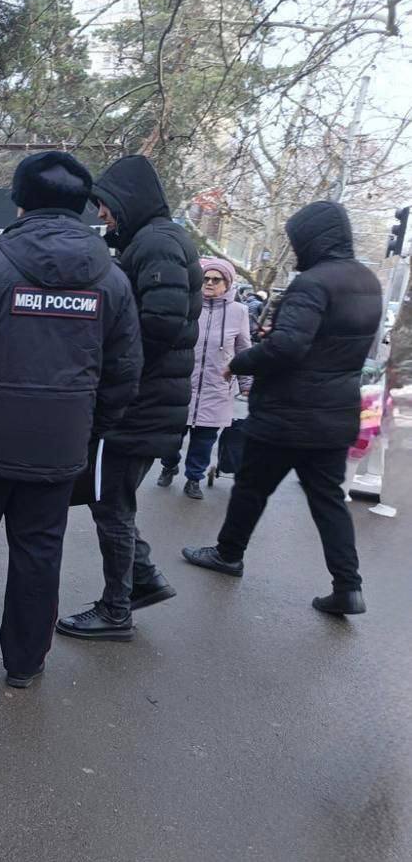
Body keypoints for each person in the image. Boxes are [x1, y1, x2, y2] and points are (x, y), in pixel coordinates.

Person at [0, 152, 142, 688]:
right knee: (40, 548)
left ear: (20, 201)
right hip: (59, 444)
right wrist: (89, 422)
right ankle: (25, 661)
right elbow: (125, 371)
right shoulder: (111, 279)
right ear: (83, 207)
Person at [183, 201, 383, 616]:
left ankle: (228, 553)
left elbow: (288, 345)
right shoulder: (366, 280)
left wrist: (239, 363)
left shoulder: (312, 283)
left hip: (286, 414)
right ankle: (348, 586)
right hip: (334, 413)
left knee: (252, 488)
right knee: (328, 500)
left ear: (312, 239)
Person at [56, 154, 203, 642]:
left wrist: (111, 358)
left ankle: (117, 608)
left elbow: (159, 323)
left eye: (105, 205)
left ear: (128, 201)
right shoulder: (157, 240)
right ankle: (142, 579)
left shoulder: (157, 243)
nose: (102, 215)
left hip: (136, 405)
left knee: (110, 504)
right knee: (110, 498)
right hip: (149, 401)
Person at [157, 257, 252, 499]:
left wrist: (246, 383)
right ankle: (169, 465)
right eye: (205, 278)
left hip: (216, 387)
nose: (209, 283)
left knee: (204, 440)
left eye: (215, 279)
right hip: (183, 385)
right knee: (172, 436)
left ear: (227, 283)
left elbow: (243, 350)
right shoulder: (189, 305)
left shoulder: (239, 312)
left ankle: (193, 479)